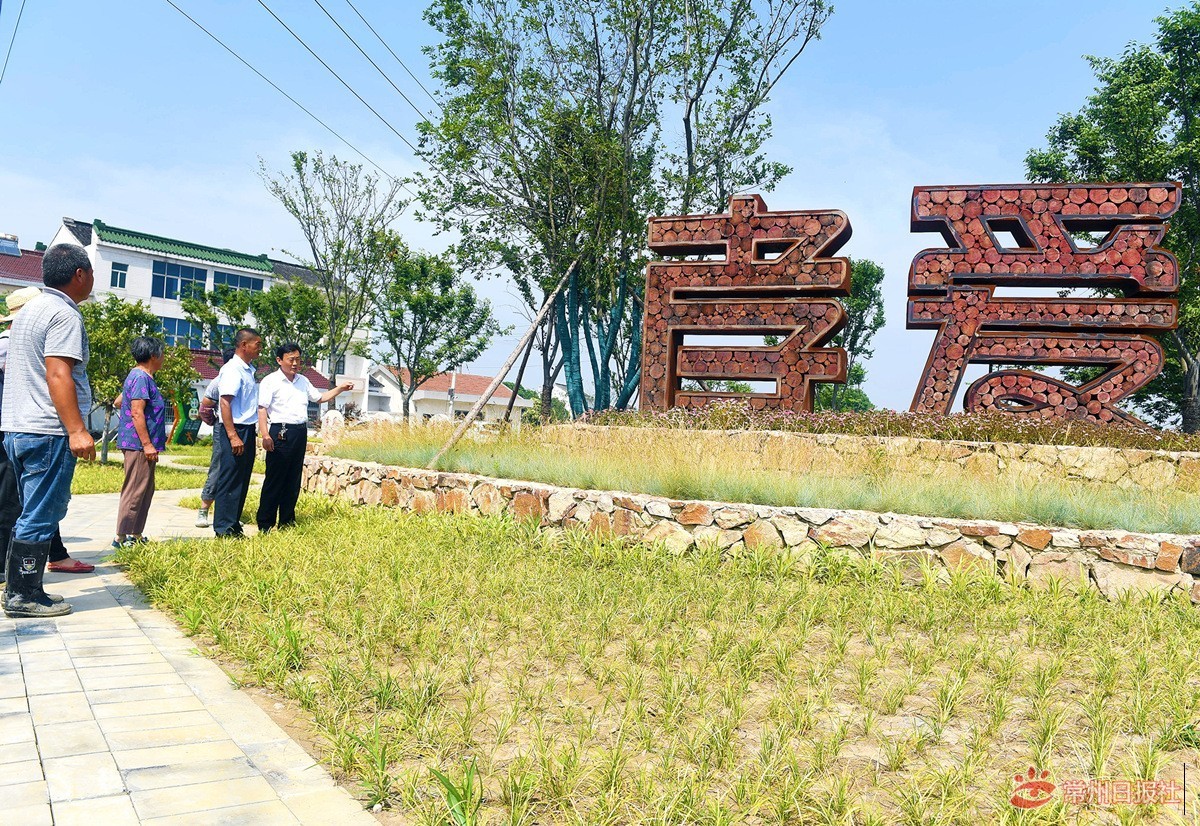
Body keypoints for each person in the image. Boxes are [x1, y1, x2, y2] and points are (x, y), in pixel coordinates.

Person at [2, 244, 96, 618]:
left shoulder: (30, 311)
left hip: (18, 427)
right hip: (47, 431)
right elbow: (58, 373)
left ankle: (25, 588)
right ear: (79, 274)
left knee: (31, 510)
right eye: (91, 273)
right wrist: (76, 430)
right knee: (42, 512)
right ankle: (22, 596)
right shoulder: (63, 314)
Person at [257, 343, 353, 532]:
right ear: (279, 360)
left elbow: (319, 398)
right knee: (275, 479)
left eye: (298, 359)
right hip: (279, 432)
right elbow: (262, 409)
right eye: (291, 359)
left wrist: (340, 389)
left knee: (293, 479)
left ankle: (287, 522)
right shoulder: (270, 381)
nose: (295, 363)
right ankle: (265, 523)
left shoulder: (302, 380)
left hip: (299, 433)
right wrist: (265, 434)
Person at [113, 336, 168, 548]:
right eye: (162, 354)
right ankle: (121, 536)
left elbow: (120, 402)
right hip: (139, 445)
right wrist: (146, 444)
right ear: (153, 355)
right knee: (135, 488)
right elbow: (137, 412)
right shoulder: (141, 377)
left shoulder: (140, 377)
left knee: (145, 488)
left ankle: (135, 533)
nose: (164, 358)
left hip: (142, 444)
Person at [212, 328, 262, 538]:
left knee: (242, 478)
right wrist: (232, 435)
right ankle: (223, 527)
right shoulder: (232, 369)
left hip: (247, 429)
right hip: (235, 428)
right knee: (230, 478)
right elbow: (225, 402)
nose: (260, 349)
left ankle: (233, 524)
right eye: (257, 344)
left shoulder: (248, 369)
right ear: (244, 345)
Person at [194, 347, 235, 528]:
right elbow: (204, 407)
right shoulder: (219, 381)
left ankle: (228, 513)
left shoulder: (247, 376)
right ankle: (203, 510)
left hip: (242, 427)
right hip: (222, 427)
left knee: (235, 470)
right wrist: (214, 422)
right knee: (217, 466)